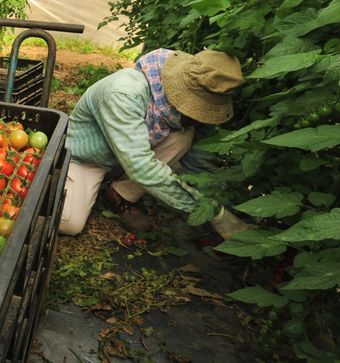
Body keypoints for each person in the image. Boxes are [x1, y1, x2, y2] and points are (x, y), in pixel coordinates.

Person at [59, 48, 250, 239]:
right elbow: (140, 166)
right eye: (198, 111)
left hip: (128, 158)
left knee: (184, 136)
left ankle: (120, 193)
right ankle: (66, 177)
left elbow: (200, 160)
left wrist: (219, 203)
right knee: (70, 224)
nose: (200, 119)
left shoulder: (193, 105)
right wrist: (209, 211)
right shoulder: (124, 93)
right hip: (88, 160)